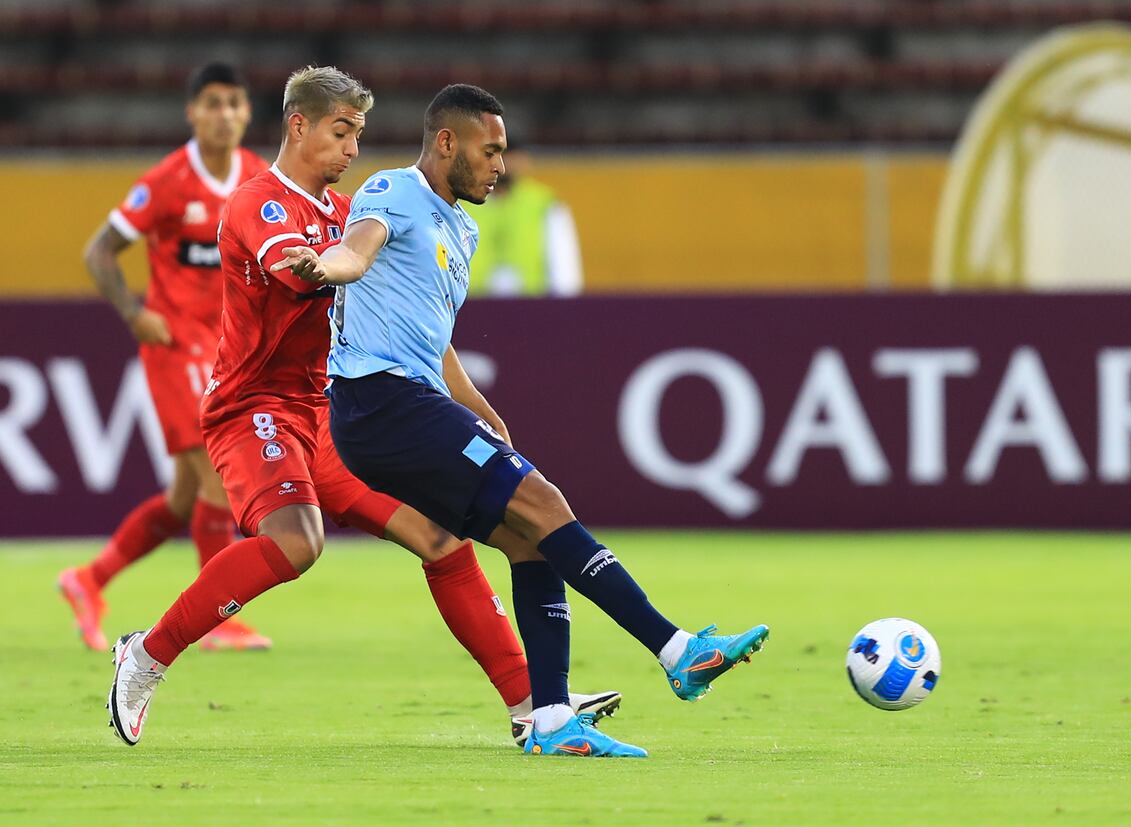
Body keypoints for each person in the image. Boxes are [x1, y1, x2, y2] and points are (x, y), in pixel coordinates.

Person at [104, 67, 619, 749]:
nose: (352, 151)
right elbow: (292, 263)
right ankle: (146, 655)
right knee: (297, 540)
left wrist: (474, 405)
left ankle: (529, 702)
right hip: (255, 406)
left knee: (440, 536)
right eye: (341, 133)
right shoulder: (258, 201)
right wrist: (323, 264)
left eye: (359, 136)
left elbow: (414, 331)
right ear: (300, 126)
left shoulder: (349, 215)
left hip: (331, 412)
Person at [274, 84, 769, 758]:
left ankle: (553, 720)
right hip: (378, 404)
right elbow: (356, 254)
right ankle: (678, 649)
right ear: (447, 142)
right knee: (544, 500)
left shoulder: (463, 227)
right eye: (491, 150)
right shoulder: (393, 191)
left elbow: (433, 339)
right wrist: (322, 264)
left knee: (529, 538)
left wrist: (482, 412)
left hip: (409, 404)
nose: (500, 164)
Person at [59, 63, 272, 652]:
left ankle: (87, 579)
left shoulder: (257, 178)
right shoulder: (168, 181)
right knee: (215, 472)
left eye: (234, 103)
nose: (224, 114)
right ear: (192, 112)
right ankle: (219, 620)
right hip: (175, 343)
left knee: (186, 497)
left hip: (229, 347)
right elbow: (100, 251)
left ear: (248, 113)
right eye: (212, 103)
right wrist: (132, 311)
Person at [463, 142, 583, 297]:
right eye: (495, 155)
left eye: (511, 156)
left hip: (532, 309)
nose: (504, 164)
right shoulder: (463, 205)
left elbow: (565, 270)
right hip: (472, 309)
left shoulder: (544, 204)